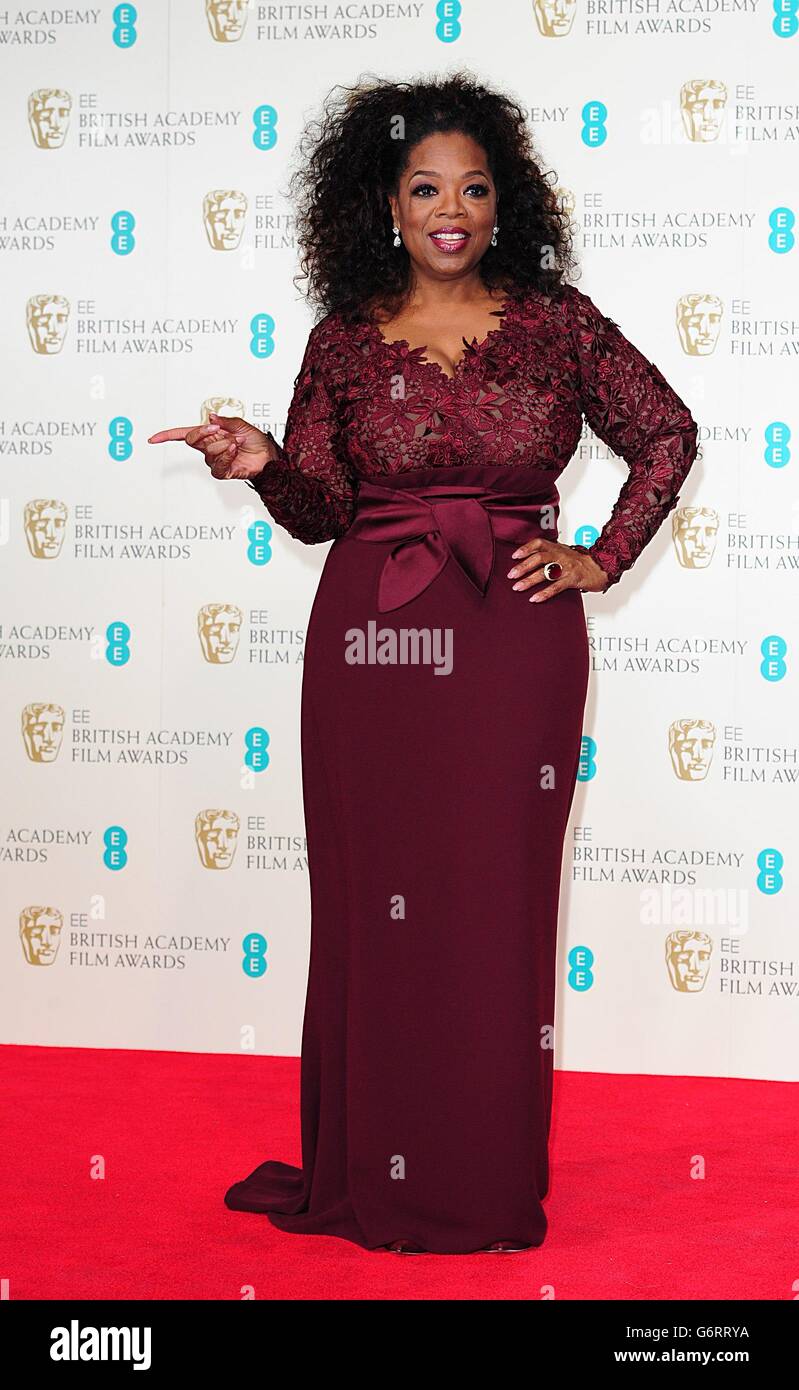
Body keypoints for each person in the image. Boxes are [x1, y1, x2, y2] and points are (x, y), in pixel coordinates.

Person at [148, 73, 700, 1255]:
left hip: (514, 635)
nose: (450, 208)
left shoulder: (559, 323)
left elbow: (667, 430)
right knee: (379, 905)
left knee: (494, 899)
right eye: (423, 187)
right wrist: (258, 461)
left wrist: (600, 556)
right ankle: (375, 1172)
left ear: (505, 202)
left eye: (473, 187)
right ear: (383, 204)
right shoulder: (342, 340)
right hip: (372, 645)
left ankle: (480, 1183)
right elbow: (316, 508)